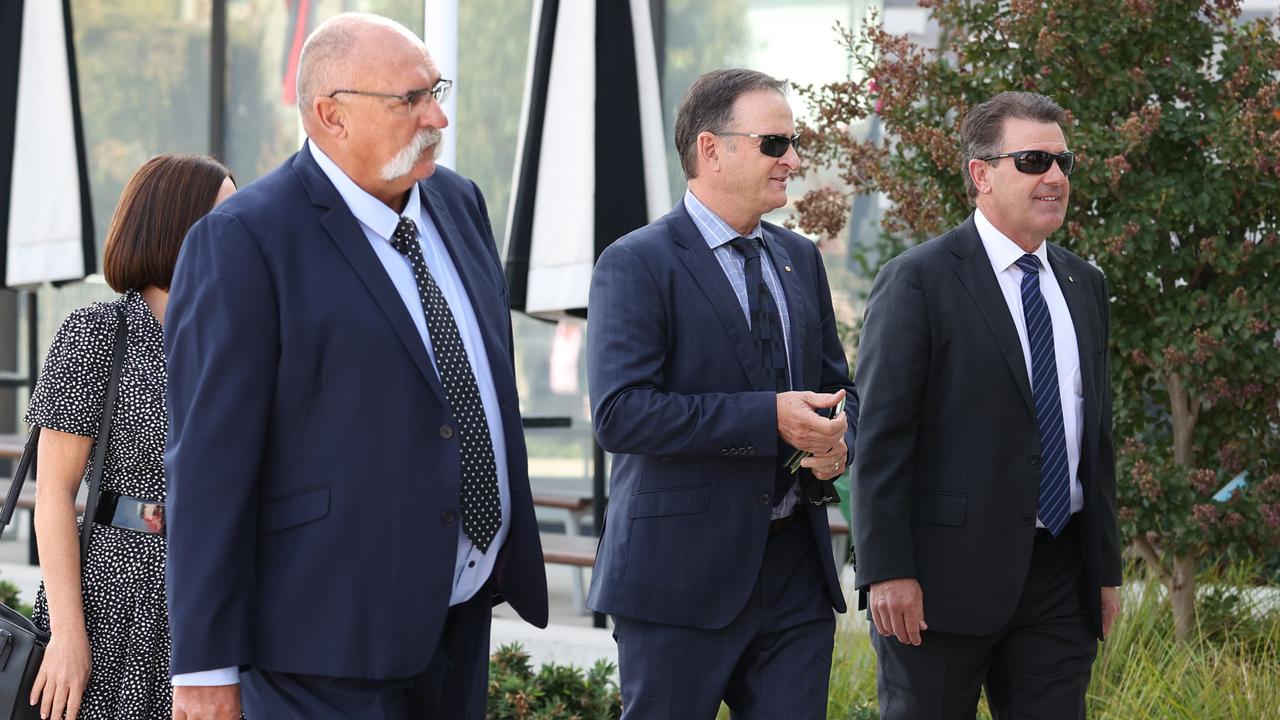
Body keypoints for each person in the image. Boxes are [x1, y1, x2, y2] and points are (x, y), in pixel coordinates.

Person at [163, 12, 548, 720]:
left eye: (437, 90)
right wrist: (205, 666)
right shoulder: (245, 239)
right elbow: (208, 466)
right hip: (320, 642)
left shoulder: (460, 204)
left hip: (458, 614)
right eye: (410, 99)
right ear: (330, 115)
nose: (437, 116)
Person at [586, 68, 857, 718]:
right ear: (711, 149)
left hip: (796, 570)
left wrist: (837, 439)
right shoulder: (636, 262)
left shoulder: (801, 258)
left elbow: (836, 387)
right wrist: (772, 420)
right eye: (774, 144)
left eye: (794, 143)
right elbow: (621, 415)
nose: (792, 159)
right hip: (676, 579)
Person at [852, 91, 1122, 719]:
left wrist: (1103, 571)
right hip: (940, 585)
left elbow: (1096, 439)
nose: (1054, 177)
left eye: (1063, 162)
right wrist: (886, 570)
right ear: (981, 174)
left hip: (1060, 577)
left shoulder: (1086, 285)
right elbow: (882, 439)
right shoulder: (918, 280)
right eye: (1032, 160)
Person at [26, 154, 235, 720]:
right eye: (223, 217)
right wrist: (68, 636)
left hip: (213, 589)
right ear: (176, 227)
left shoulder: (239, 339)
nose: (239, 232)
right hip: (111, 595)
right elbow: (52, 496)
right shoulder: (96, 332)